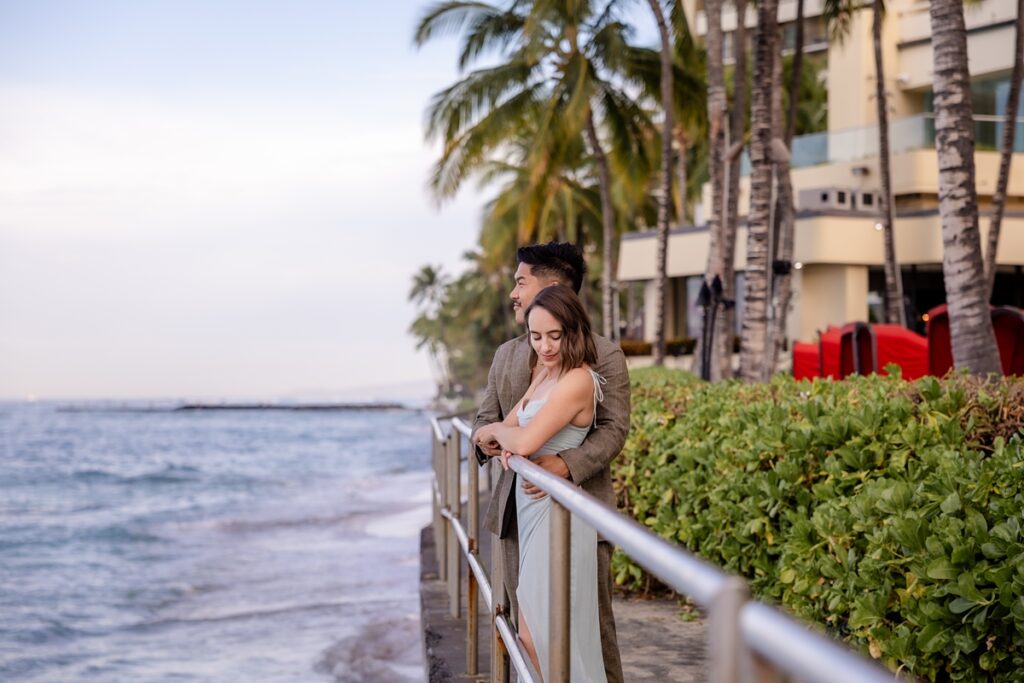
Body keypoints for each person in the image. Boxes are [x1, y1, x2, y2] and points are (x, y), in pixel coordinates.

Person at [471, 242, 629, 682]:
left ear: (553, 289)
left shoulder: (605, 354)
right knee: (521, 630)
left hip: (575, 508)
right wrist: (492, 443)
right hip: (515, 512)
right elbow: (485, 423)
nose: (513, 294)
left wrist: (566, 465)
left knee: (589, 632)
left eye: (521, 282)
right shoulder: (508, 355)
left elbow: (613, 430)